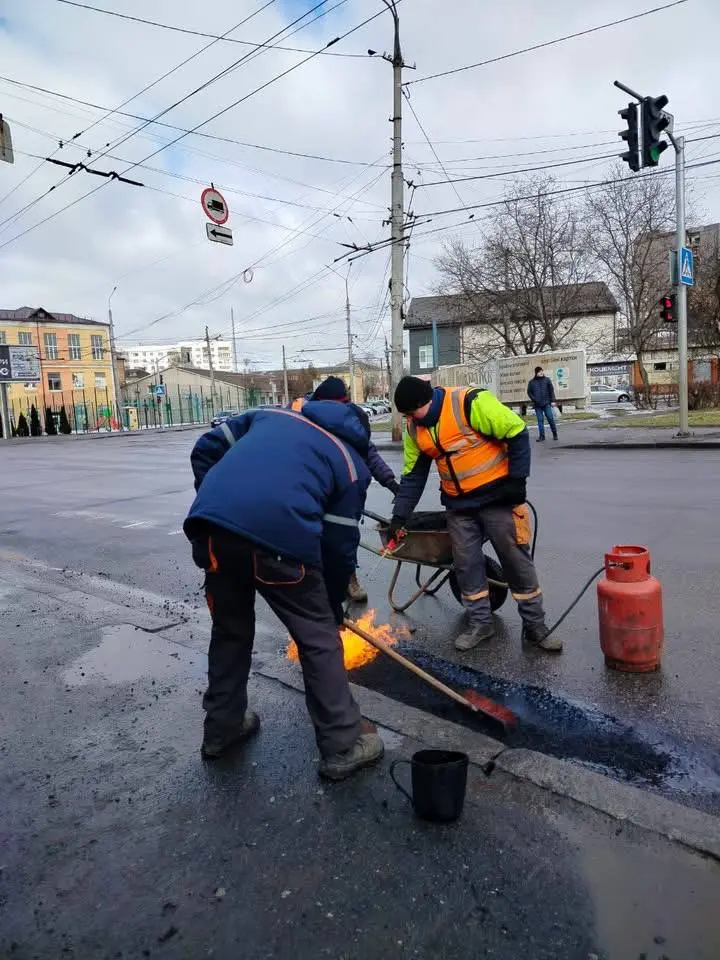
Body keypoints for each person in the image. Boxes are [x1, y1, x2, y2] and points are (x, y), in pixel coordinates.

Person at [184, 400, 385, 780]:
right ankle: (342, 745)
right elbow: (339, 547)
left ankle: (223, 729)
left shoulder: (270, 416)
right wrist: (332, 604)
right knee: (319, 641)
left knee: (229, 632)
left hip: (211, 533)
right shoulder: (349, 463)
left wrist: (217, 504)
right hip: (280, 545)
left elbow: (205, 448)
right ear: (362, 438)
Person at [389, 376, 561, 653]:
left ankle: (535, 626)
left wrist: (517, 482)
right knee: (466, 565)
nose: (409, 419)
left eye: (412, 412)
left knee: (515, 561)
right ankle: (481, 623)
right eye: (406, 414)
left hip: (498, 499)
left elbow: (516, 431)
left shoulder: (468, 402)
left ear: (426, 401)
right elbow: (413, 476)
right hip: (459, 507)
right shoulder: (414, 429)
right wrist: (399, 516)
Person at [293, 376, 400, 604]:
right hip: (313, 490)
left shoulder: (350, 419)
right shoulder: (307, 419)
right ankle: (315, 586)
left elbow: (368, 452)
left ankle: (347, 578)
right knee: (314, 538)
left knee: (344, 537)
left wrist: (390, 482)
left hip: (342, 492)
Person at [527, 366, 558, 442]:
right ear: (536, 373)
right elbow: (529, 392)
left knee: (550, 419)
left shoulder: (547, 380)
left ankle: (554, 433)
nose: (541, 373)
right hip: (537, 405)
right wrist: (534, 399)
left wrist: (553, 401)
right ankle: (542, 436)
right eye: (539, 372)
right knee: (540, 421)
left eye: (541, 371)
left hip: (546, 403)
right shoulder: (531, 382)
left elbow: (551, 390)